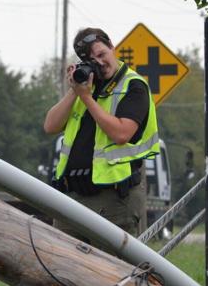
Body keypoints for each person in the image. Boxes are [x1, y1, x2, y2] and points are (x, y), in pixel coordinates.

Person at [44, 28, 159, 244]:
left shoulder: (133, 85)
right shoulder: (85, 87)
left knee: (110, 272)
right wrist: (74, 89)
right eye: (90, 60)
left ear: (112, 47)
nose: (99, 63)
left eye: (101, 54)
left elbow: (121, 133)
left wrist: (87, 98)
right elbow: (50, 125)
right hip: (73, 196)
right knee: (62, 269)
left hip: (114, 199)